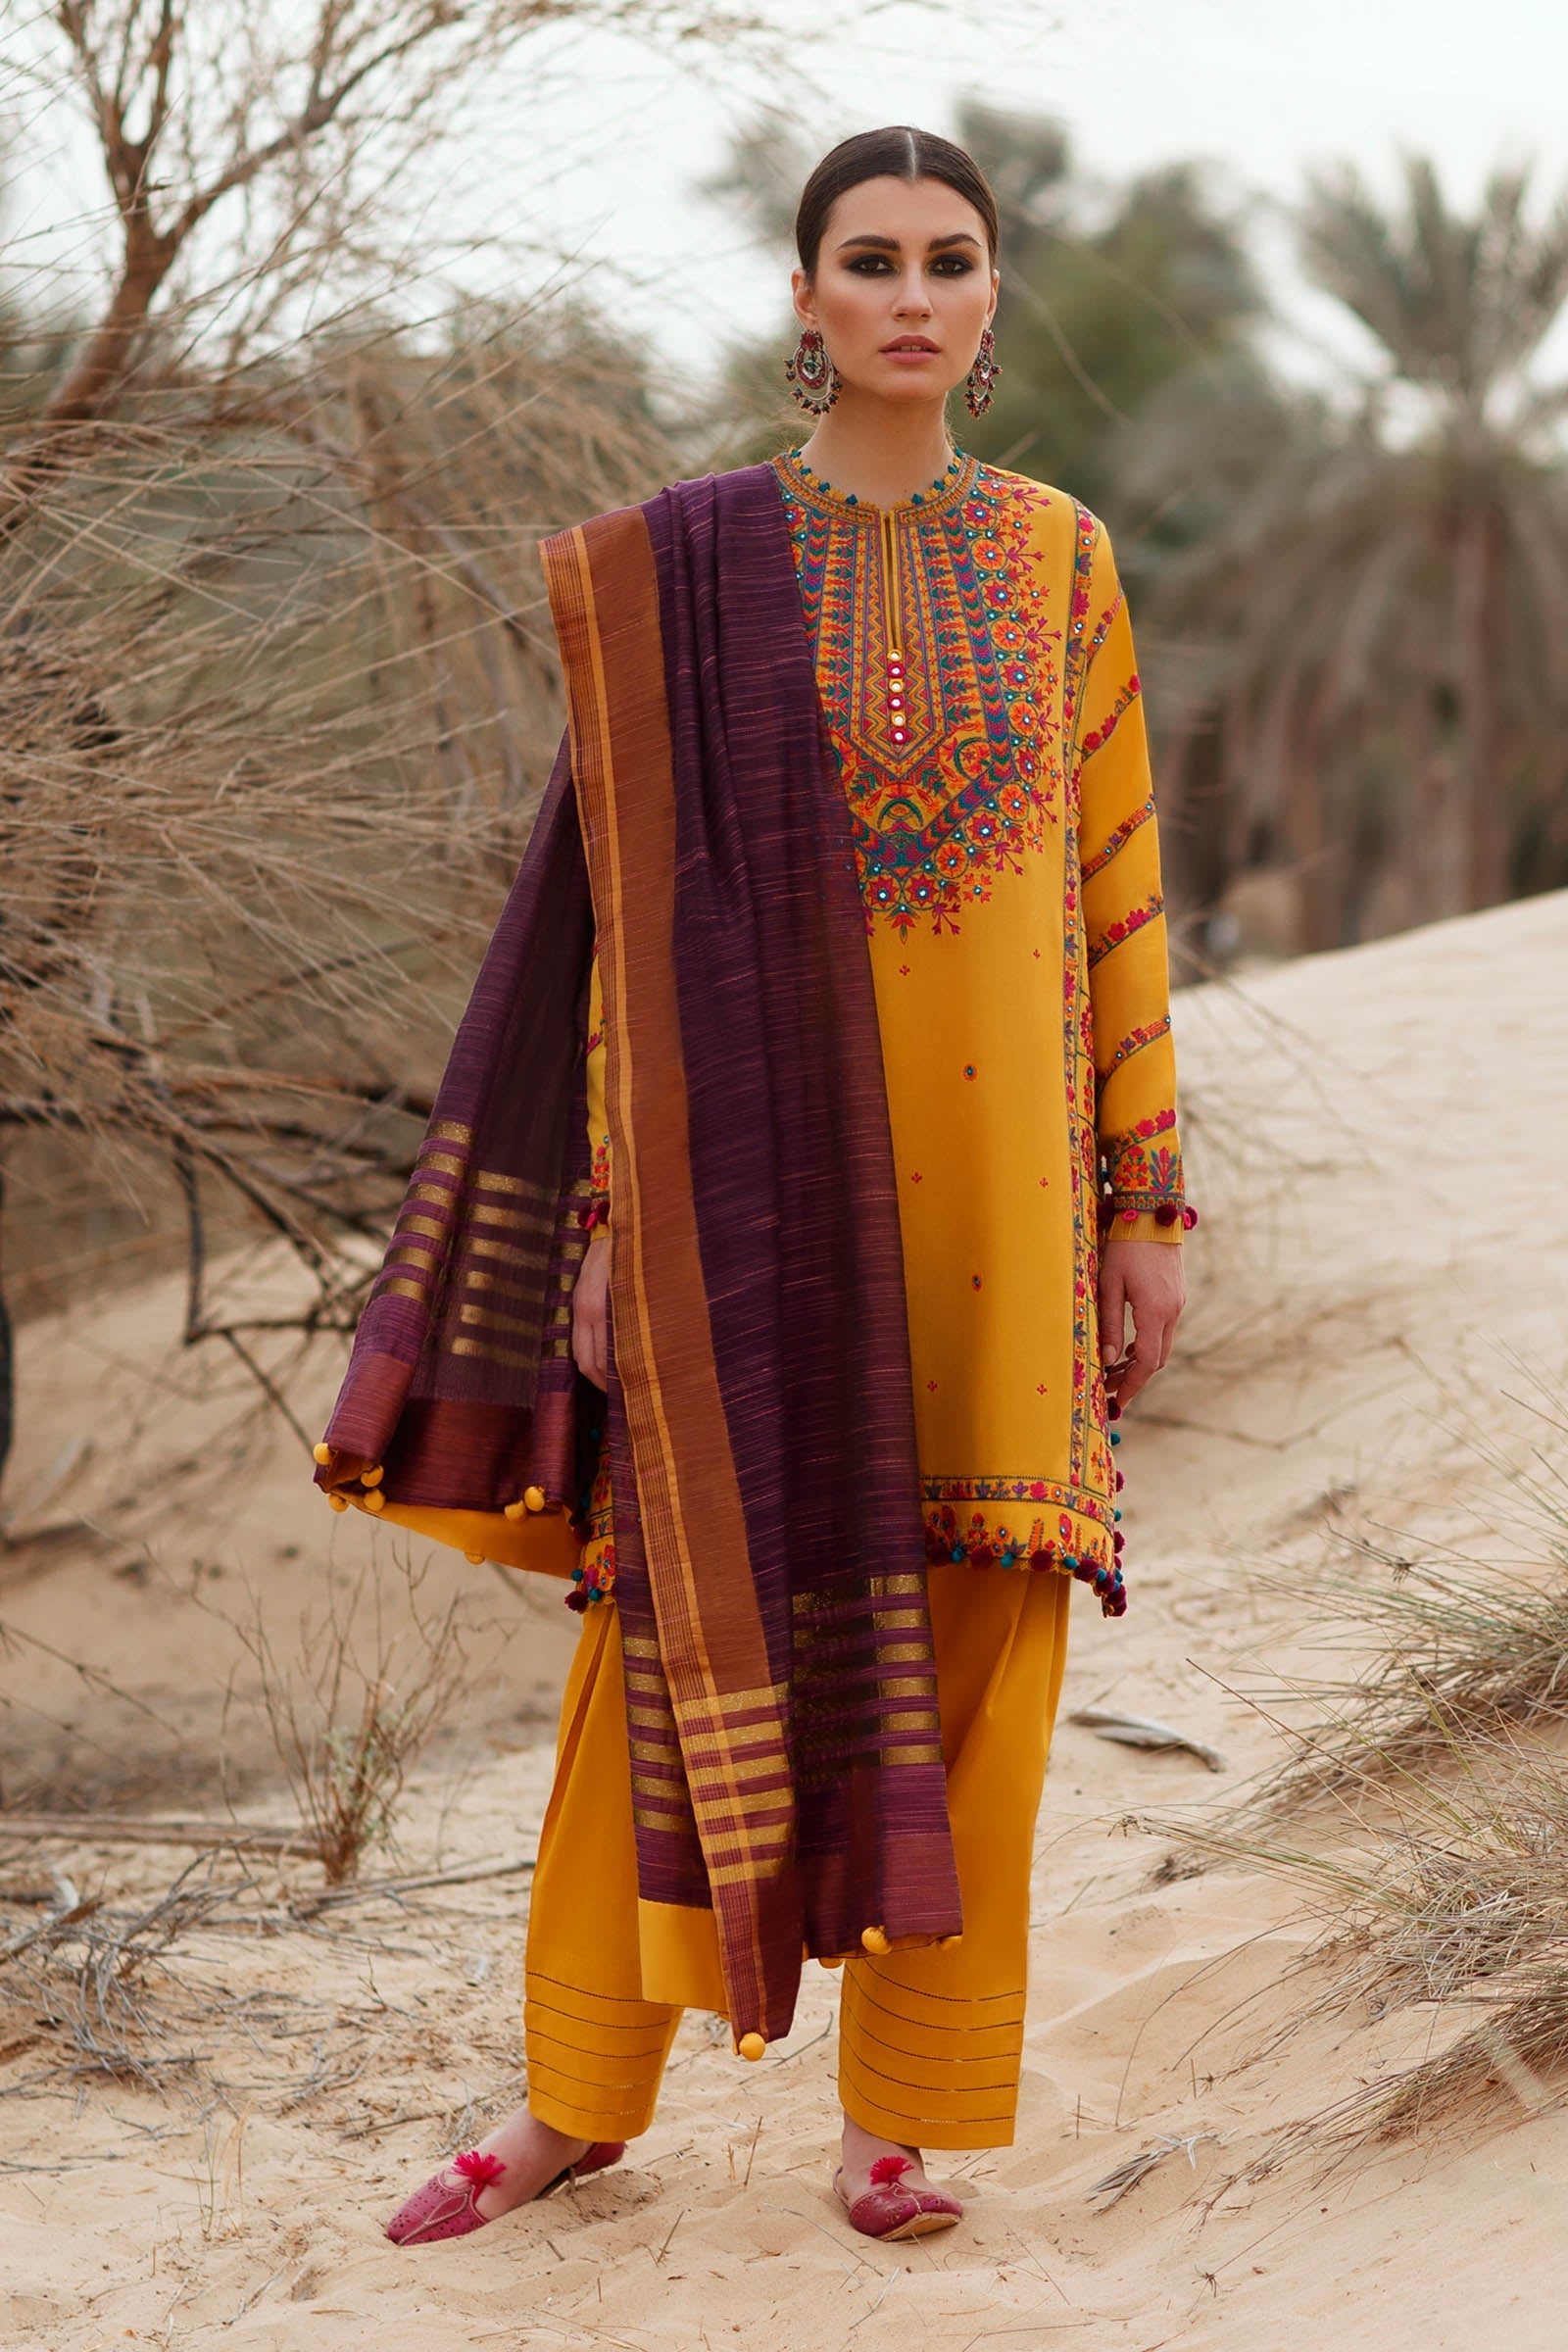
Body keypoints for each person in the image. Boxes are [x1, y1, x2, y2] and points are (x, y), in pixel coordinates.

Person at [314, 123, 1192, 2250]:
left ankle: (896, 2119)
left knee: (980, 1632)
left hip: (1003, 1193)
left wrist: (1140, 1207)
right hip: (743, 1188)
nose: (911, 294)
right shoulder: (690, 574)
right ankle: (571, 2100)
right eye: (869, 260)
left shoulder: (1058, 557)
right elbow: (627, 938)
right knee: (667, 1614)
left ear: (991, 299)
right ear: (803, 298)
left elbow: (1117, 894)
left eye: (950, 260)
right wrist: (611, 1221)